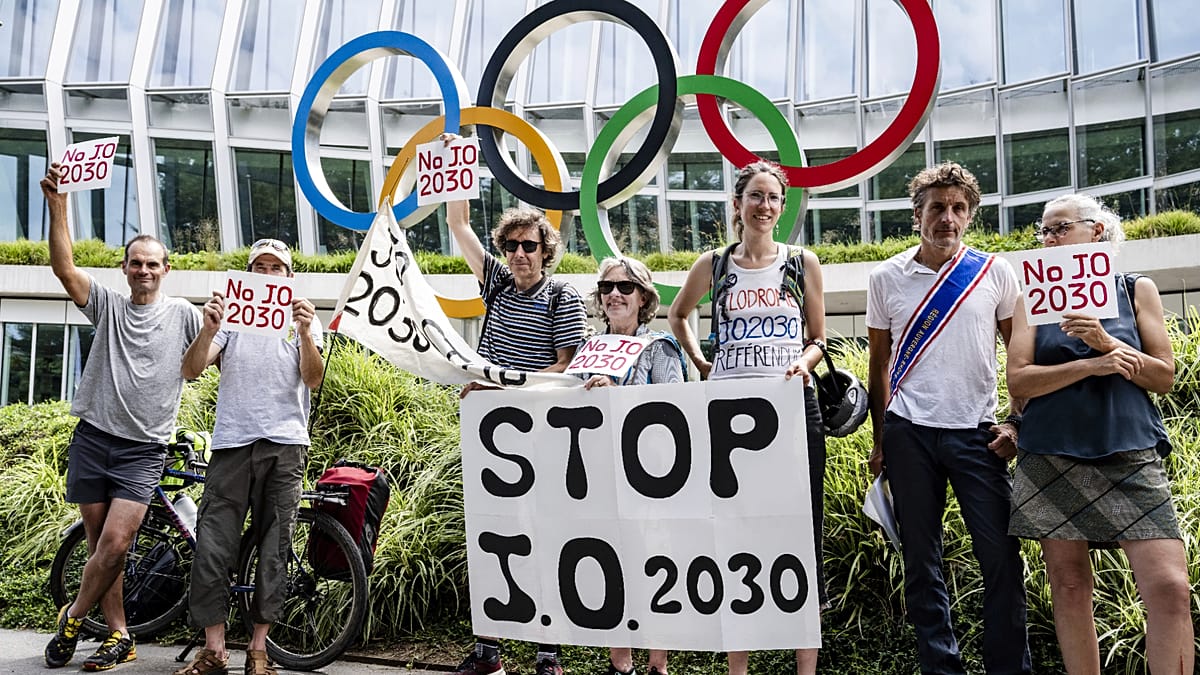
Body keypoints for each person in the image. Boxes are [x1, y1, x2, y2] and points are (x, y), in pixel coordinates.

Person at [1006, 195, 1193, 675]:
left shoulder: (1136, 289)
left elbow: (1163, 377)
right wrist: (1093, 363)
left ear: (1098, 232)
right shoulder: (1033, 297)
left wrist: (1107, 342)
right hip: (1050, 451)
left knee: (1170, 586)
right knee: (1069, 587)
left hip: (1129, 450)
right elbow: (1019, 381)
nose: (1049, 238)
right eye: (1043, 230)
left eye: (1060, 228)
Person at [865, 162, 1031, 675]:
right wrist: (880, 440)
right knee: (922, 560)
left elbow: (1020, 357)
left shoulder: (994, 272)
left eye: (959, 209)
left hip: (978, 434)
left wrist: (1015, 424)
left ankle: (1008, 668)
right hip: (909, 433)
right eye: (937, 207)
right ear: (917, 214)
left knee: (1001, 557)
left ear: (970, 215)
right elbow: (879, 367)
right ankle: (941, 667)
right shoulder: (885, 277)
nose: (948, 218)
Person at [668, 160, 828, 675]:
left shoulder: (802, 262)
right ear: (737, 205)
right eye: (755, 196)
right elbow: (677, 314)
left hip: (789, 409)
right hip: (727, 415)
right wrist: (701, 362)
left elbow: (818, 340)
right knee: (736, 531)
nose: (764, 206)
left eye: (773, 198)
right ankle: (739, 666)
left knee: (803, 528)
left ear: (782, 209)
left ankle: (805, 664)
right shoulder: (714, 264)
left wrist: (802, 364)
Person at [39, 164, 202, 671]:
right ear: (125, 267)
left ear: (167, 268)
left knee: (115, 543)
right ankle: (119, 637)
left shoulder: (185, 315)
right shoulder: (108, 304)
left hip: (143, 449)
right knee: (98, 548)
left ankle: (71, 617)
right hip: (93, 438)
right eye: (136, 263)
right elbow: (65, 269)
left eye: (153, 264)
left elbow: (215, 358)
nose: (144, 271)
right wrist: (58, 205)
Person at [446, 189, 588, 675]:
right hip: (491, 435)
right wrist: (453, 163)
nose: (519, 255)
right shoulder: (499, 286)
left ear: (546, 250)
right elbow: (459, 226)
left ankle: (547, 654)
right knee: (492, 538)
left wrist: (501, 389)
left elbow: (566, 366)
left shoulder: (561, 295)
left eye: (529, 246)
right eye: (511, 247)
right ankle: (489, 652)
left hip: (538, 434)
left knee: (542, 540)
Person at [172, 239, 324, 675]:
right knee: (214, 543)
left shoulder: (302, 320)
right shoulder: (231, 320)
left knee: (276, 546)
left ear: (288, 277)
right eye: (261, 265)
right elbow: (191, 370)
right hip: (233, 443)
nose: (269, 272)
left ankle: (259, 649)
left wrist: (306, 333)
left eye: (277, 266)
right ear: (249, 272)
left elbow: (312, 380)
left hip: (285, 442)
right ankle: (215, 650)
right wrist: (208, 327)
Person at [581, 257, 683, 675]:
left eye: (624, 287)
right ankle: (620, 665)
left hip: (653, 479)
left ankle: (657, 665)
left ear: (643, 297)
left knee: (654, 568)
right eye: (606, 288)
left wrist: (619, 393)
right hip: (603, 477)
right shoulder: (590, 349)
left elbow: (676, 411)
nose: (614, 295)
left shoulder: (660, 347)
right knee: (612, 570)